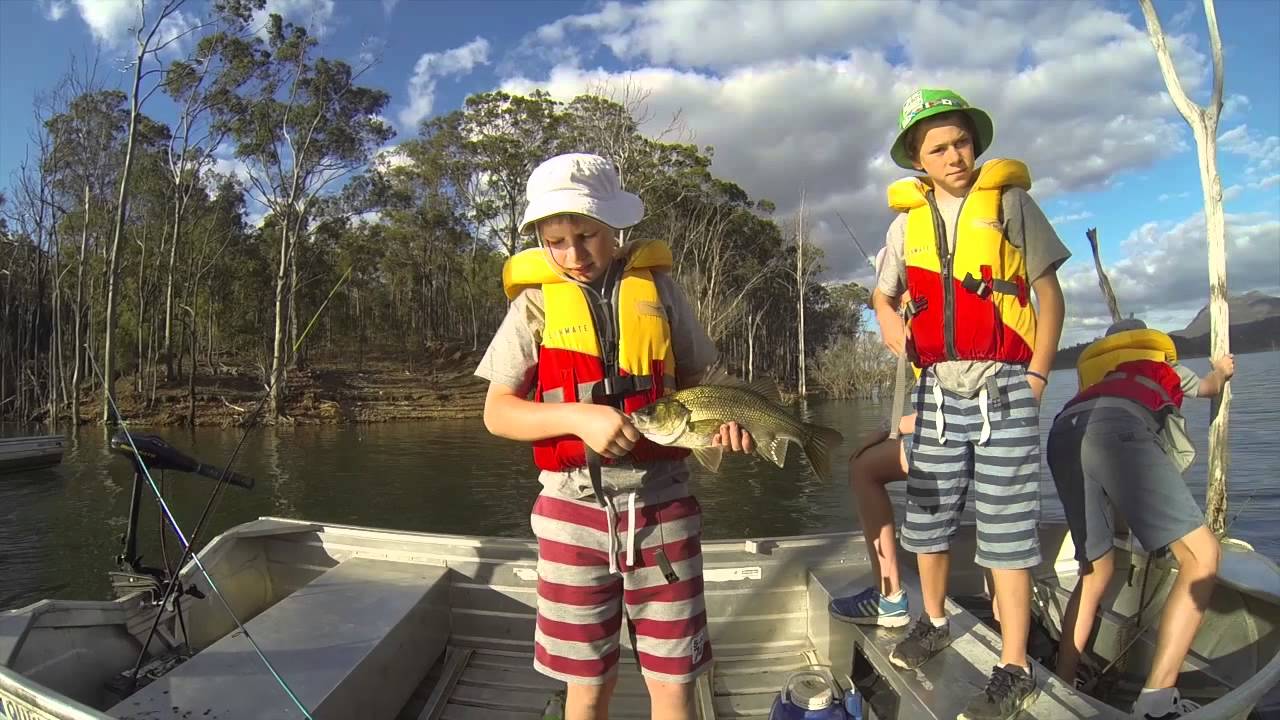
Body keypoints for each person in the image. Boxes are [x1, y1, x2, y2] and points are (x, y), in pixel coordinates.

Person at [476, 152, 755, 720]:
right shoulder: (534, 303)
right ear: (539, 239)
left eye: (588, 235)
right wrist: (578, 416)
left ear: (614, 228)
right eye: (556, 241)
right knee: (585, 683)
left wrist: (733, 424)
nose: (574, 254)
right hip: (569, 510)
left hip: (663, 506)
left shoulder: (660, 291)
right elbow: (498, 413)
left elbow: (705, 382)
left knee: (672, 676)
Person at [872, 88, 1070, 720]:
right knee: (927, 517)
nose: (954, 155)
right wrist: (891, 326)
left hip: (1006, 386)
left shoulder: (1011, 202)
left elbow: (1048, 296)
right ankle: (931, 621)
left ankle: (1013, 663)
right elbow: (884, 296)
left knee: (1008, 532)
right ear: (917, 160)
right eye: (938, 148)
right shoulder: (905, 226)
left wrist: (1037, 377)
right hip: (934, 389)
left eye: (961, 142)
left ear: (975, 144)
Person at [1049, 318, 1234, 719]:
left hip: (1064, 430)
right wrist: (1221, 370)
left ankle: (1062, 682)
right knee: (1202, 557)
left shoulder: (1099, 377)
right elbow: (1208, 388)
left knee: (1094, 570)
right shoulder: (1159, 364)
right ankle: (1156, 701)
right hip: (1118, 429)